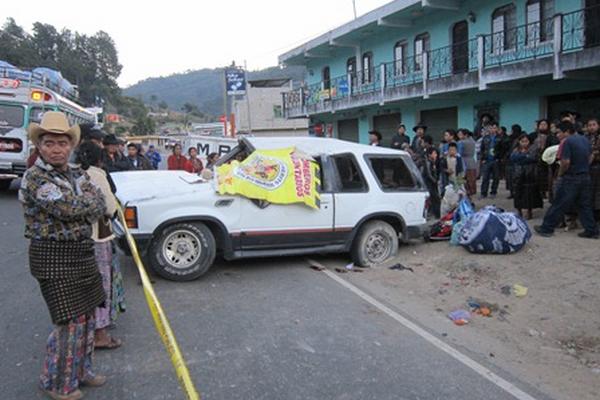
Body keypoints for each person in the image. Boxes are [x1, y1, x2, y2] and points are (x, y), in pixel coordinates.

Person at [19, 112, 108, 399]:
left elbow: (100, 203)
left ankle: (82, 370)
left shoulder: (76, 173)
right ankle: (56, 382)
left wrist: (84, 204)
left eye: (61, 143)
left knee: (87, 318)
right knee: (68, 322)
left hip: (82, 253)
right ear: (39, 147)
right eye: (49, 143)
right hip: (52, 257)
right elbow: (67, 209)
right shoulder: (35, 177)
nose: (56, 149)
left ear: (70, 145)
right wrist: (86, 204)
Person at [75, 142, 125, 351]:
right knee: (101, 285)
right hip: (98, 236)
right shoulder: (97, 174)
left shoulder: (72, 174)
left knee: (83, 287)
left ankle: (84, 331)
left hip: (78, 238)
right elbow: (110, 207)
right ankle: (100, 334)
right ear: (99, 158)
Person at [534, 121, 599, 239]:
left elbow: (565, 162)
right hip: (585, 176)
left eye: (559, 132)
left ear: (567, 132)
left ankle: (546, 228)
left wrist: (560, 174)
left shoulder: (567, 142)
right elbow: (590, 156)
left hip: (571, 177)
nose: (557, 135)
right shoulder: (584, 139)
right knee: (584, 205)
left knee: (559, 203)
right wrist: (583, 167)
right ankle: (591, 230)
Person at [510, 134, 544, 219]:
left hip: (530, 174)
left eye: (526, 141)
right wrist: (525, 156)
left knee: (529, 194)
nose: (524, 143)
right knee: (518, 193)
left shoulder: (533, 149)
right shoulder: (516, 150)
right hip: (518, 174)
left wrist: (522, 158)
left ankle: (529, 211)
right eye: (522, 141)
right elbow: (513, 158)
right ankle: (519, 211)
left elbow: (533, 158)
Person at [479, 121, 500, 198]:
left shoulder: (499, 138)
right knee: (485, 178)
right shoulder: (485, 138)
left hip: (496, 160)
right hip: (487, 160)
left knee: (496, 178)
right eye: (491, 128)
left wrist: (499, 158)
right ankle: (483, 193)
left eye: (494, 128)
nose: (492, 129)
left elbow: (503, 150)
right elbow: (482, 149)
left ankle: (493, 192)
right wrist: (483, 159)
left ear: (497, 129)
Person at [421, 147, 440, 219]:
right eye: (434, 153)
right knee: (434, 199)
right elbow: (429, 174)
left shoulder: (432, 162)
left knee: (434, 199)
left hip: (432, 183)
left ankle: (434, 214)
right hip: (429, 184)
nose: (436, 155)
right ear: (429, 155)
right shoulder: (428, 162)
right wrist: (435, 181)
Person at [587, 118, 600, 221]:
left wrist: (594, 154)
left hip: (597, 167)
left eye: (594, 125)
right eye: (589, 125)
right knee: (590, 193)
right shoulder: (585, 138)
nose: (591, 127)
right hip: (589, 168)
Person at [458, 129, 477, 196]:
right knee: (471, 181)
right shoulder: (473, 141)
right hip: (472, 162)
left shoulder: (461, 142)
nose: (458, 135)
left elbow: (459, 153)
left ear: (465, 135)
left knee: (463, 181)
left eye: (460, 134)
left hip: (464, 162)